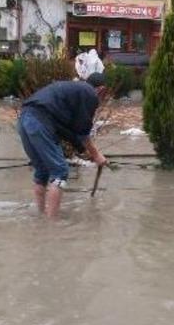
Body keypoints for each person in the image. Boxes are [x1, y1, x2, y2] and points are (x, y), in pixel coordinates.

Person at [18, 72, 108, 218]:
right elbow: (83, 131)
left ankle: (41, 216)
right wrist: (96, 155)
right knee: (60, 171)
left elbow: (69, 130)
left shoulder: (74, 89)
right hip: (40, 122)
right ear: (101, 89)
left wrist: (83, 151)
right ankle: (53, 225)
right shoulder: (90, 93)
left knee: (42, 169)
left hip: (24, 119)